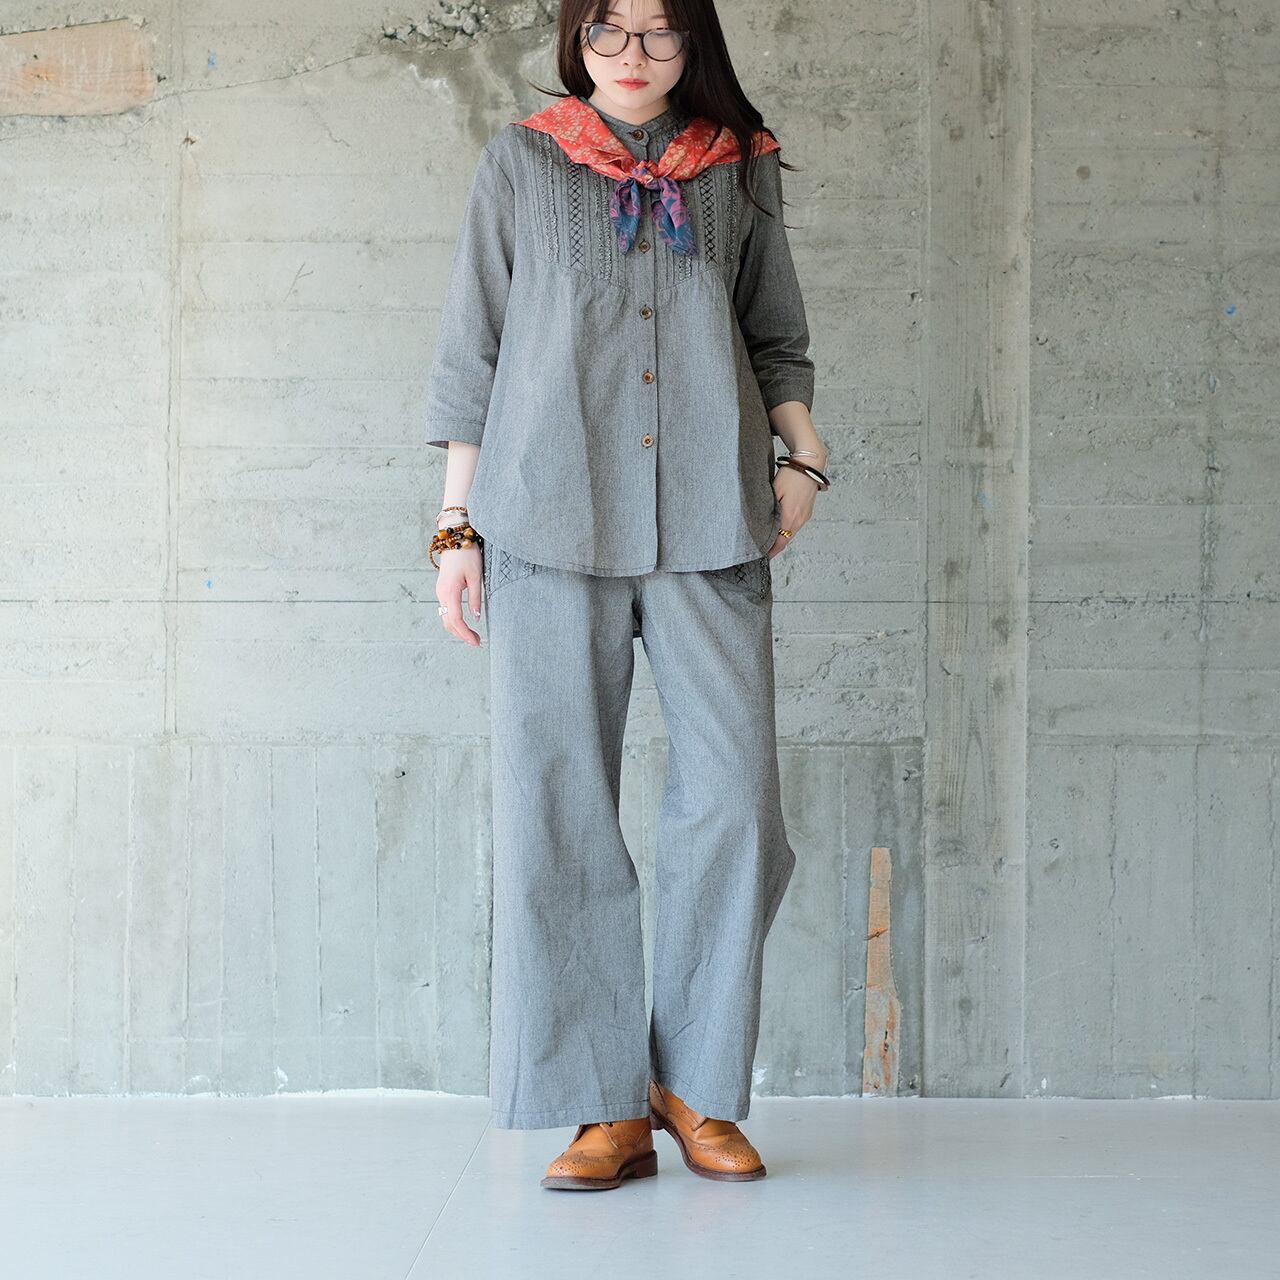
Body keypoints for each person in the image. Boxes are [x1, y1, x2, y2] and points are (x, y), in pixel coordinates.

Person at [424, 0, 832, 1191]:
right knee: (554, 808)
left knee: (736, 803)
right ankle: (599, 1099)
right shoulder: (521, 162)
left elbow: (774, 332)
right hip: (544, 517)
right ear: (577, 40)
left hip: (710, 518)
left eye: (658, 32)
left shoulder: (736, 166)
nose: (633, 57)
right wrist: (454, 525)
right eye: (609, 31)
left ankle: (693, 1082)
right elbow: (472, 349)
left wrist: (802, 456)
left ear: (690, 41)